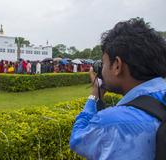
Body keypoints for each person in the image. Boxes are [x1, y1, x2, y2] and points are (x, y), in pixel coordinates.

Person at [70, 18, 166, 160]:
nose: (101, 70)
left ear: (117, 65)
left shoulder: (112, 122)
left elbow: (78, 138)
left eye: (103, 63)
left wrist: (95, 94)